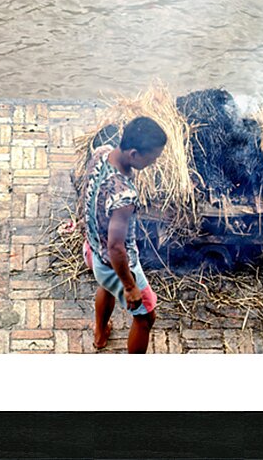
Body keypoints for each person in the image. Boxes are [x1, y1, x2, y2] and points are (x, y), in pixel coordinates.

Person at [81, 116, 167, 353]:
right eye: (153, 157)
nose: (155, 162)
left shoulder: (101, 152)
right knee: (145, 318)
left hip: (93, 248)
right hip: (115, 264)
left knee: (106, 286)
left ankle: (100, 334)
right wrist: (129, 286)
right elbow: (116, 248)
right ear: (133, 154)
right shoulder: (124, 197)